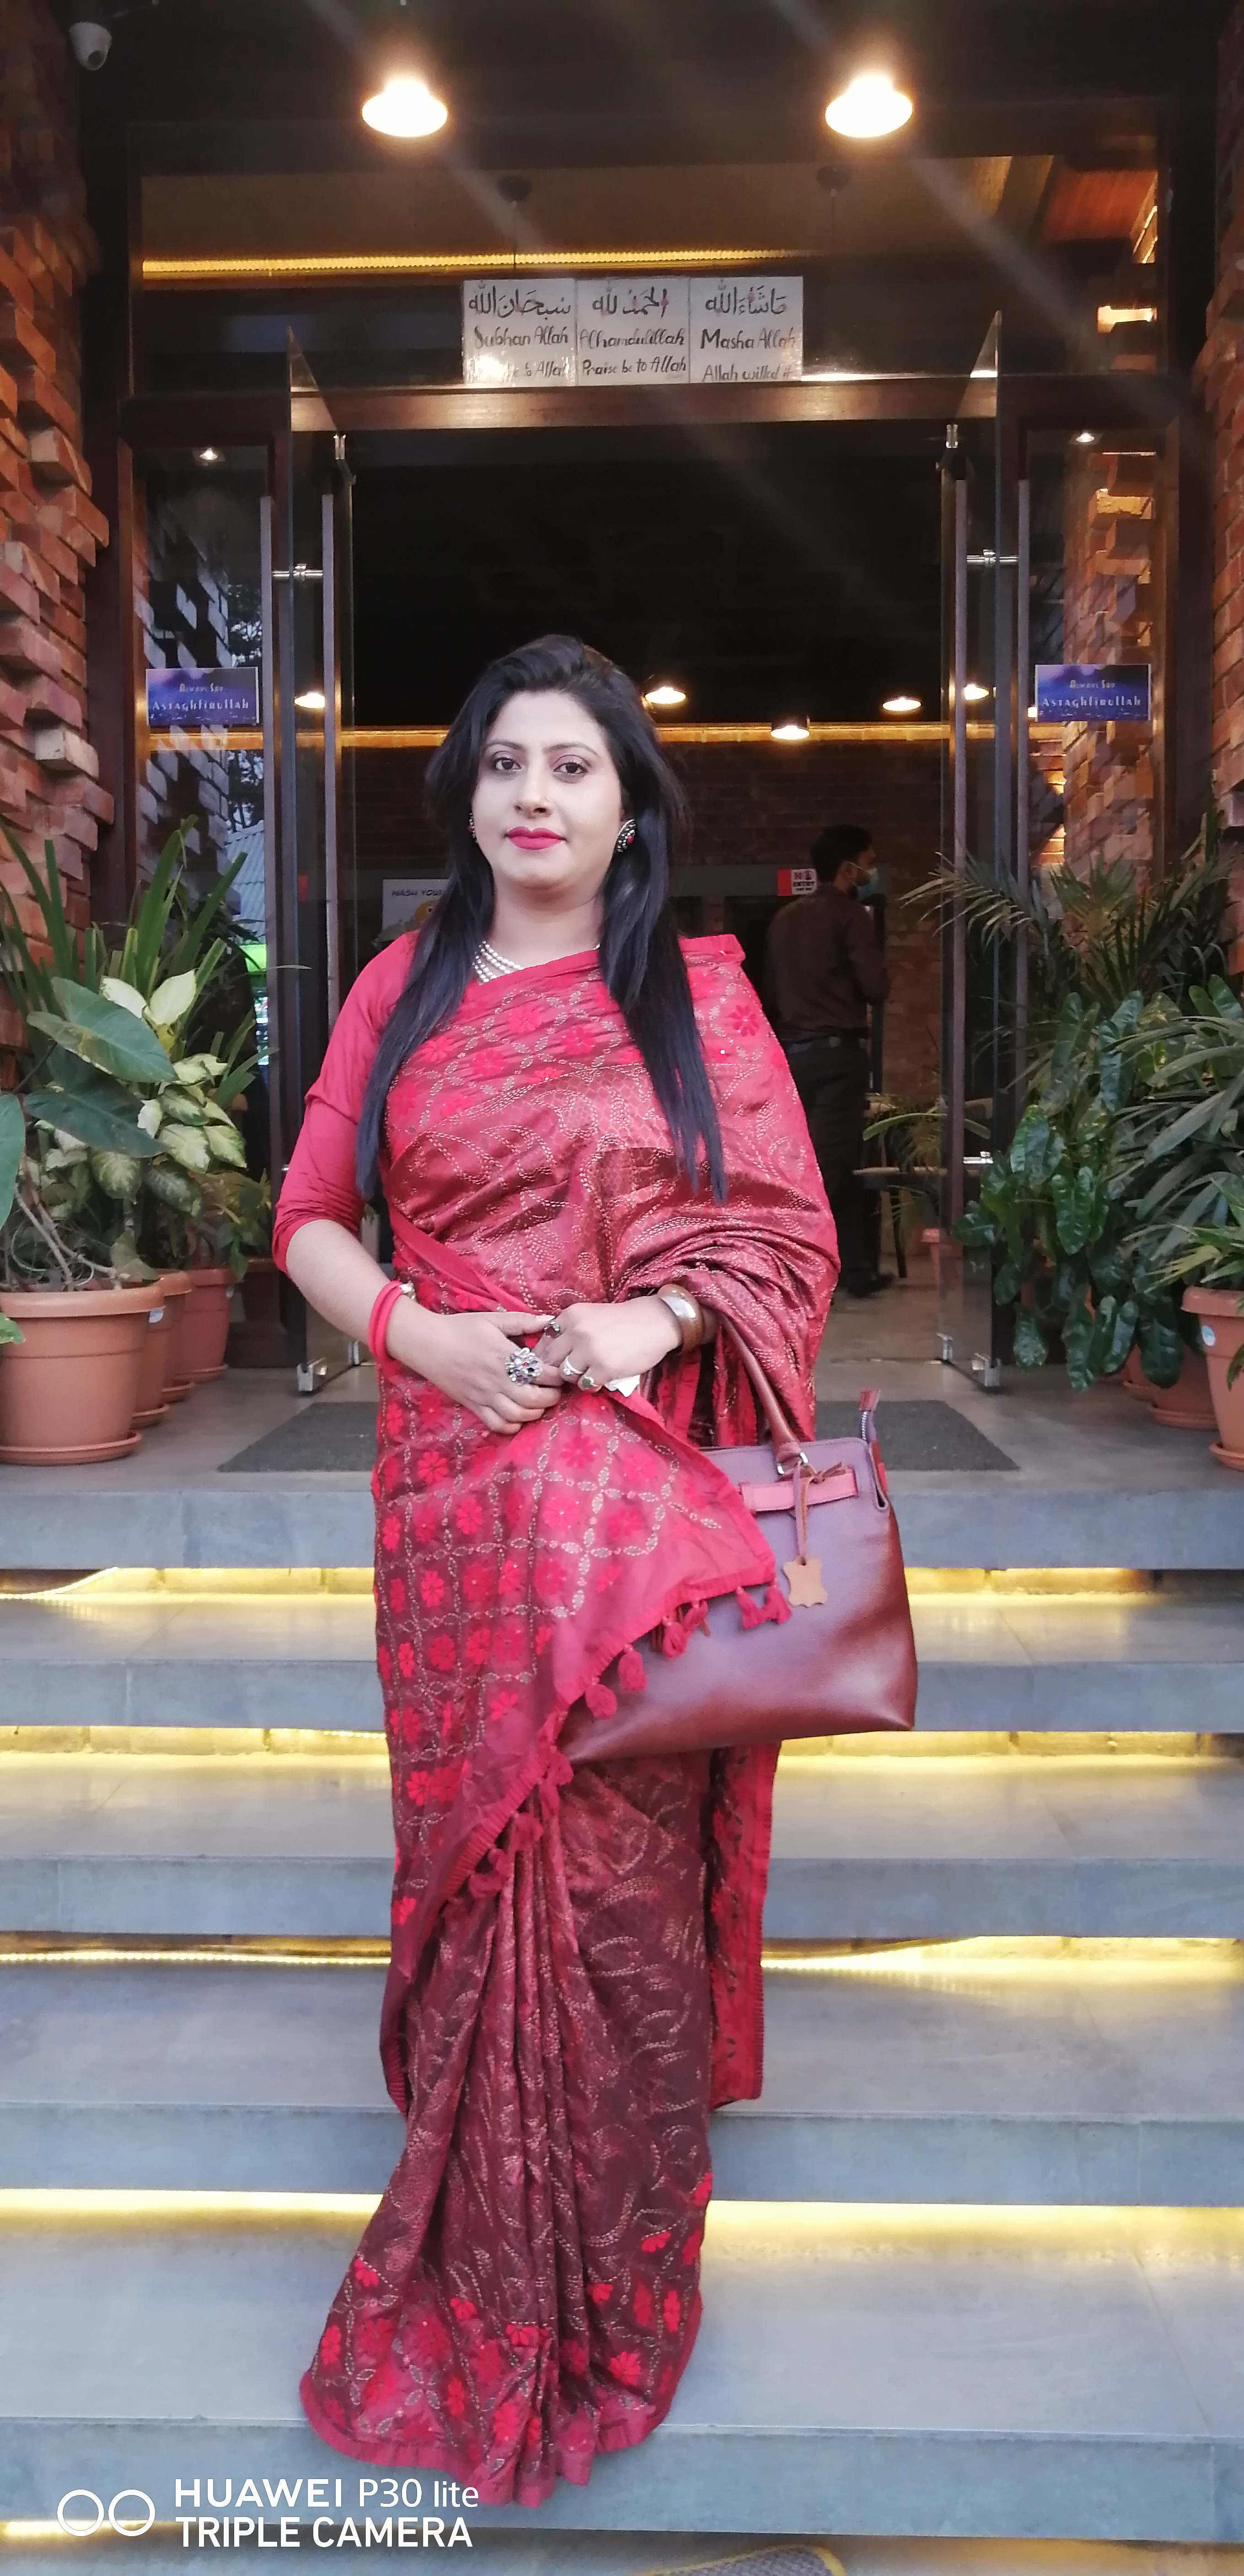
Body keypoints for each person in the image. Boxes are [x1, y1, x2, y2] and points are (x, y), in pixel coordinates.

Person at [272, 634, 837, 2505]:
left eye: (573, 766)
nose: (535, 794)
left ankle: (615, 2279)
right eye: (506, 763)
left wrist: (646, 1317)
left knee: (607, 1892)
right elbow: (307, 1219)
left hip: (630, 1513)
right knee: (480, 1869)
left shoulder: (696, 998)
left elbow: (784, 1239)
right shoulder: (402, 987)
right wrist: (420, 1335)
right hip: (451, 1492)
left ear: (627, 808)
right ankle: (481, 2258)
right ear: (466, 794)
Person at [765, 821, 890, 1298]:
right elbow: (876, 986)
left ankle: (855, 1268)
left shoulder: (784, 921)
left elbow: (771, 991)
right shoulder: (852, 916)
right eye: (868, 862)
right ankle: (799, 1273)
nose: (872, 870)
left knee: (822, 1162)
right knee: (829, 1169)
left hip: (793, 1060)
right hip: (840, 1058)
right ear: (847, 868)